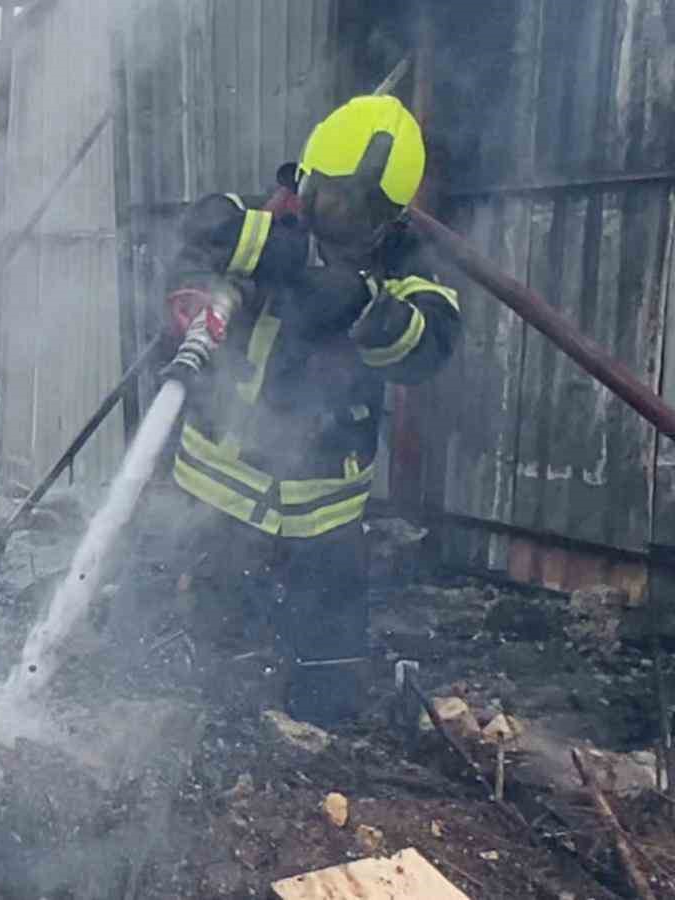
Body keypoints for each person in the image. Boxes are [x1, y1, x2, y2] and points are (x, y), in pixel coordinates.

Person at [154, 95, 463, 726]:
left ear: (389, 217)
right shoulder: (269, 222)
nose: (337, 216)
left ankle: (313, 753)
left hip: (325, 510)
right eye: (329, 197)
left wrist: (374, 313)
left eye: (357, 208)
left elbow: (432, 340)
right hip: (213, 490)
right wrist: (280, 259)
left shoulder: (404, 265)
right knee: (170, 646)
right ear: (307, 178)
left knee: (328, 676)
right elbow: (203, 231)